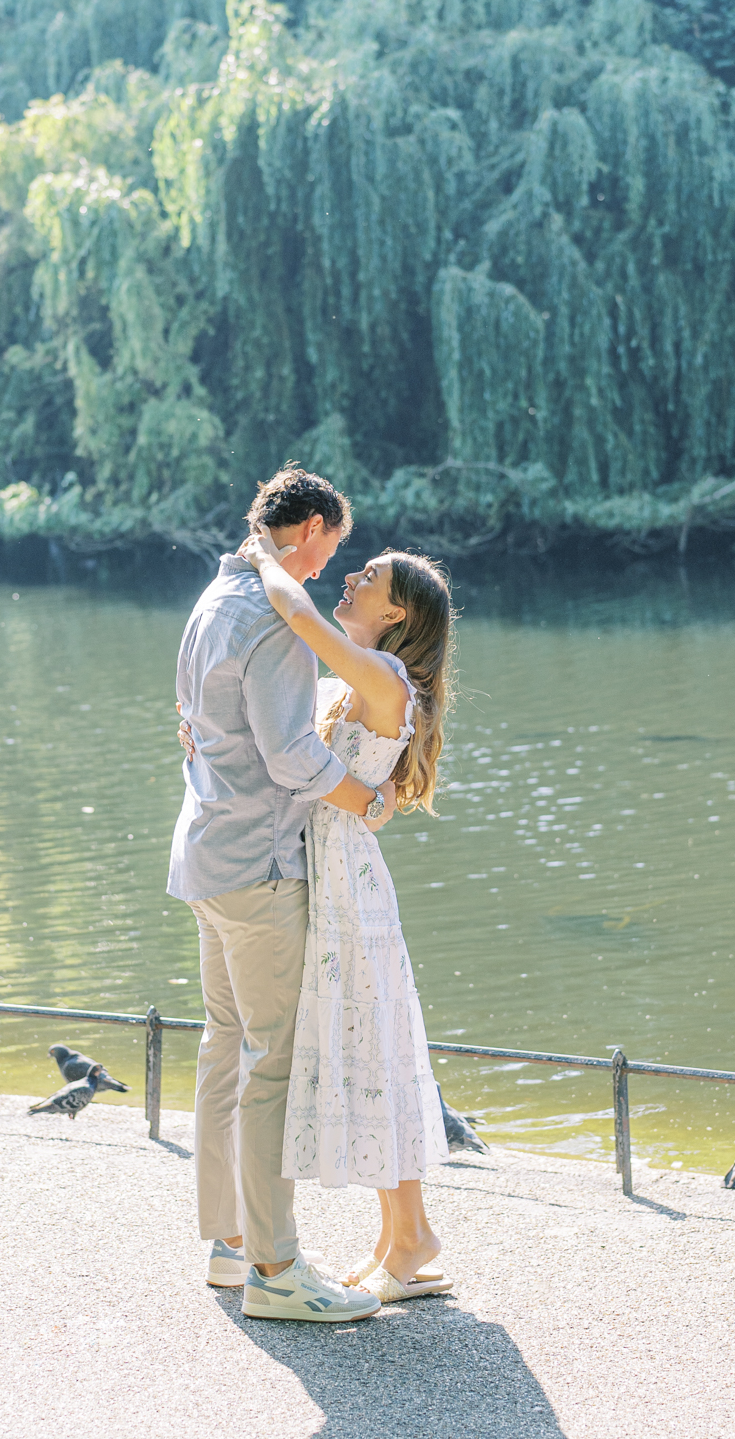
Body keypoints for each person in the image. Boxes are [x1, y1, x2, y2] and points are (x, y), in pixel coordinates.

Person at [167, 467, 395, 1324]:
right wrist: (368, 801)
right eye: (330, 546)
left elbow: (195, 720)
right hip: (259, 867)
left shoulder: (211, 600)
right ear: (305, 530)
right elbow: (293, 755)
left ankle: (231, 1246)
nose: (328, 566)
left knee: (226, 1046)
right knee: (273, 1066)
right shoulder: (273, 618)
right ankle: (276, 1269)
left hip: (204, 857)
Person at [237, 525, 455, 1304]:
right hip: (332, 869)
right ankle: (405, 1237)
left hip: (349, 887)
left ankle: (411, 1237)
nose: (352, 581)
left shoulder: (385, 674)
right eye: (356, 571)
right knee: (371, 1051)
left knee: (374, 1048)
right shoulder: (361, 679)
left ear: (395, 616)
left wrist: (264, 559)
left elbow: (301, 622)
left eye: (369, 579)